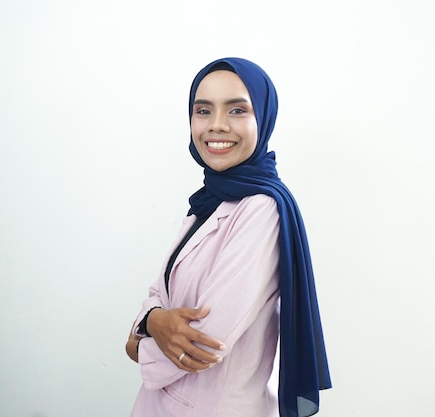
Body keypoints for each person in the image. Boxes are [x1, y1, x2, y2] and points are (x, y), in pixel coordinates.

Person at [125, 57, 331, 417]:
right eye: (203, 110)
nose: (216, 125)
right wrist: (154, 322)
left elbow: (204, 343)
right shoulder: (209, 201)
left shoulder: (262, 209)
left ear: (263, 118)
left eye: (237, 110)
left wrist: (138, 338)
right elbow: (158, 294)